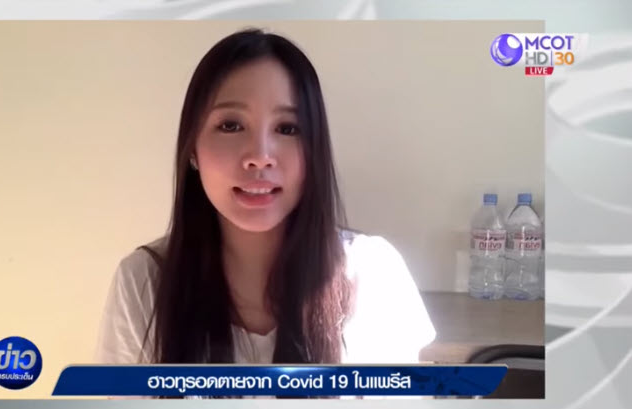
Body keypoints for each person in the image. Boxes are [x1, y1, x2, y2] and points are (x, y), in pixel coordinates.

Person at [96, 28, 435, 366]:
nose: (259, 157)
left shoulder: (373, 273)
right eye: (231, 125)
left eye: (287, 128)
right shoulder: (143, 281)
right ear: (193, 150)